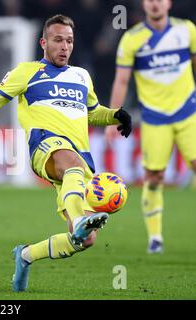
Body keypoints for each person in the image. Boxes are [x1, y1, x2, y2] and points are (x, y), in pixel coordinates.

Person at [0, 14, 132, 292]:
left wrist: (116, 115)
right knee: (72, 166)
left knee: (84, 240)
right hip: (46, 148)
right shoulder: (27, 72)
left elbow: (92, 112)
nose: (64, 47)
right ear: (43, 42)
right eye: (58, 40)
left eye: (69, 41)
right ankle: (80, 218)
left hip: (79, 160)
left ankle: (25, 255)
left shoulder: (82, 76)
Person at [106, 0, 196, 254]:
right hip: (155, 117)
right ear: (143, 4)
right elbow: (121, 80)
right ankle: (155, 238)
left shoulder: (187, 30)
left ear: (168, 3)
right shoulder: (132, 39)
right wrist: (113, 117)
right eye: (149, 0)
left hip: (189, 112)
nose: (155, 4)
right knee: (154, 176)